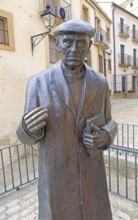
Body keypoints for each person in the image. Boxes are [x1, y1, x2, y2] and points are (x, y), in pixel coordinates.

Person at [17, 20, 117, 220]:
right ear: (58, 44)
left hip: (91, 174)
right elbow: (26, 137)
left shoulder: (100, 83)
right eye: (68, 42)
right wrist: (26, 129)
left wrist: (105, 136)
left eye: (81, 43)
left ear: (89, 47)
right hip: (57, 176)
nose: (74, 49)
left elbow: (110, 122)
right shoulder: (38, 83)